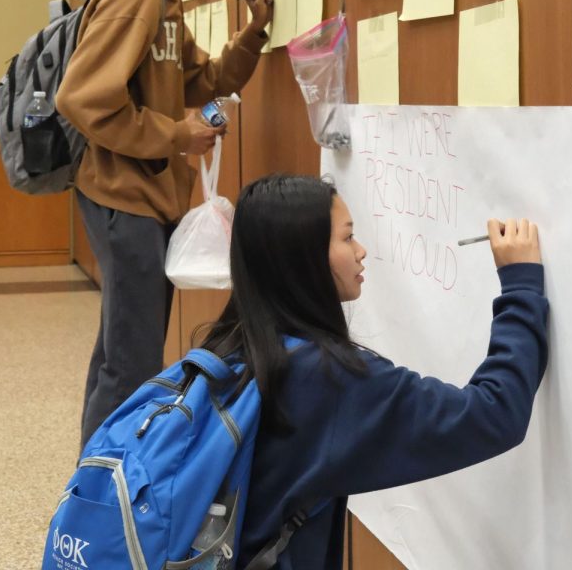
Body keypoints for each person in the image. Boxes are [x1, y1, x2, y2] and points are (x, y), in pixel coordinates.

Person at [197, 174, 549, 569]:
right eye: (347, 238)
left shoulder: (225, 347)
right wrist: (521, 287)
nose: (361, 251)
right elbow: (493, 415)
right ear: (305, 257)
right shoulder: (327, 379)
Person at [58, 0, 274, 449]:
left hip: (143, 193)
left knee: (123, 348)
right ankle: (105, 493)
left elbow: (203, 80)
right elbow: (81, 98)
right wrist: (177, 134)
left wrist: (253, 33)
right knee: (131, 360)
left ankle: (98, 477)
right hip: (121, 193)